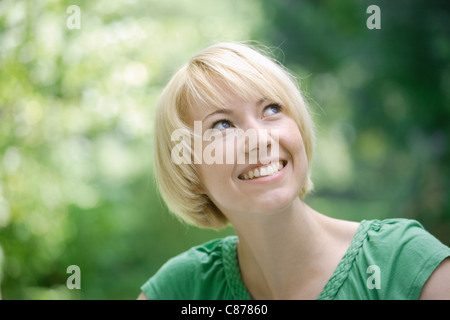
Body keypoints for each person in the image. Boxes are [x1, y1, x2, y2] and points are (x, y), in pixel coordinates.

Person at [138, 42, 450, 300]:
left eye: (271, 109)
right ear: (189, 172)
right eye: (222, 124)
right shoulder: (180, 291)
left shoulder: (405, 265)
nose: (260, 139)